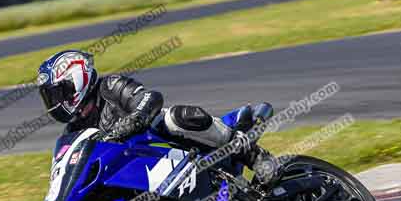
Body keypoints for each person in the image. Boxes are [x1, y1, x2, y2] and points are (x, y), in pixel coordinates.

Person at [36, 49, 264, 169]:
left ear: (76, 80)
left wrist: (133, 120)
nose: (55, 102)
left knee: (176, 118)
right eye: (50, 97)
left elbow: (149, 98)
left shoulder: (109, 87)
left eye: (57, 93)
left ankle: (252, 155)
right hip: (133, 169)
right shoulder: (72, 132)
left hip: (159, 142)